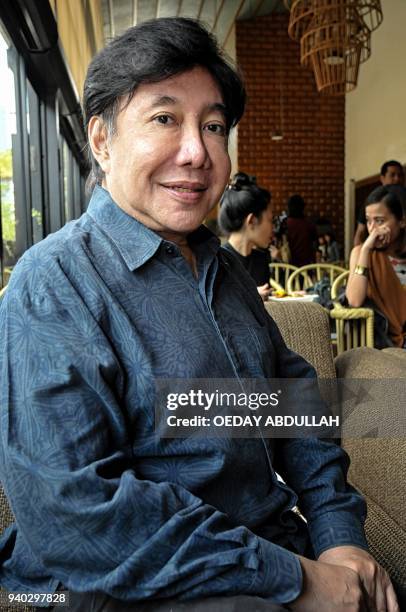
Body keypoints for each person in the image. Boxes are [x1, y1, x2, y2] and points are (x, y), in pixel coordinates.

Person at [0, 17, 399, 612]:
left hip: (267, 544)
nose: (197, 152)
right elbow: (76, 516)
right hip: (121, 581)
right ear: (102, 141)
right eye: (164, 119)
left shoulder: (230, 273)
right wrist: (298, 579)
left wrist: (338, 539)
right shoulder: (52, 283)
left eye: (214, 126)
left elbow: (296, 407)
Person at [347, 186, 406, 348]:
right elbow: (354, 300)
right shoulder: (361, 253)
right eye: (368, 221)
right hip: (388, 343)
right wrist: (366, 249)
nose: (373, 229)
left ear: (401, 221)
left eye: (380, 221)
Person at [218, 173, 273, 301]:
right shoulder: (218, 261)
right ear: (252, 221)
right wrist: (250, 296)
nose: (273, 228)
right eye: (270, 220)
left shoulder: (261, 259)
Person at [353, 160, 405, 246]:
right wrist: (360, 252)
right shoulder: (373, 202)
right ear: (382, 178)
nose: (397, 179)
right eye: (392, 175)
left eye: (400, 175)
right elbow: (360, 232)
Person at [286, 194, 317, 267]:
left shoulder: (285, 224)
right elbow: (315, 246)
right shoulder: (309, 224)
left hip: (288, 267)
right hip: (307, 268)